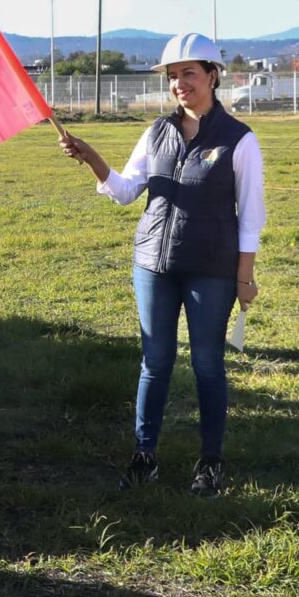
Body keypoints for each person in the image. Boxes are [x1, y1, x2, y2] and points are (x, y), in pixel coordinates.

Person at [59, 33, 265, 496]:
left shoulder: (240, 140)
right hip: (152, 263)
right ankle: (144, 454)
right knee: (156, 361)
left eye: (188, 74)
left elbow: (251, 216)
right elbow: (126, 190)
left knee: (209, 364)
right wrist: (92, 158)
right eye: (173, 76)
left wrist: (244, 276)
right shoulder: (156, 131)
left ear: (213, 75)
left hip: (211, 268)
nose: (179, 84)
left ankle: (209, 463)